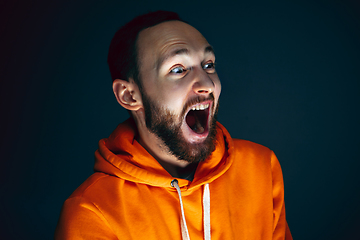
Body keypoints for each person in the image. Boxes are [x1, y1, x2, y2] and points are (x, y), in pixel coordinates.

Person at [55, 10, 292, 240]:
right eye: (178, 69)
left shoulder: (261, 167)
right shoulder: (92, 210)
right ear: (129, 95)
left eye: (208, 65)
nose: (207, 84)